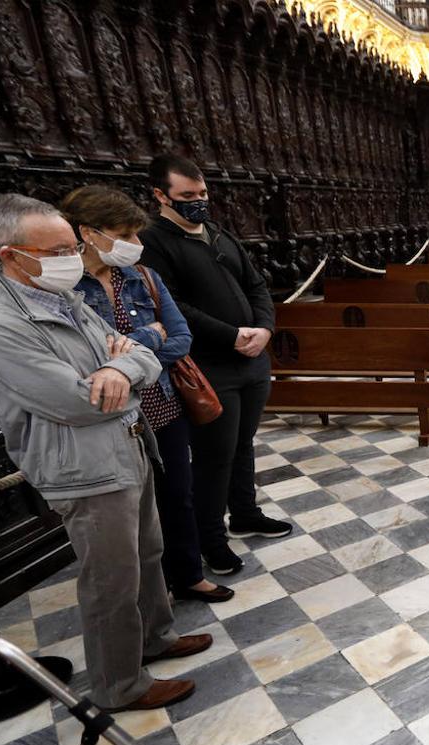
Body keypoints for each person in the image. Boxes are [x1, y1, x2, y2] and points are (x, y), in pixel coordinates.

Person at [0, 194, 212, 710]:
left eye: (72, 246)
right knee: (110, 582)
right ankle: (119, 685)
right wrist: (119, 367)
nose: (71, 257)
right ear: (13, 256)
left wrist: (120, 366)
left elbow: (142, 353)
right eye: (57, 249)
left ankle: (156, 638)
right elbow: (79, 401)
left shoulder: (65, 300)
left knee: (147, 555)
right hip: (84, 467)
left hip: (128, 444)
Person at [60, 185, 234, 604]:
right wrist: (145, 339)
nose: (136, 244)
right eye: (125, 234)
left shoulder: (142, 277)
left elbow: (179, 339)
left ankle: (189, 574)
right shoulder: (66, 290)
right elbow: (82, 360)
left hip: (163, 404)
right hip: (113, 415)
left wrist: (126, 356)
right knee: (132, 512)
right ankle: (145, 595)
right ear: (89, 232)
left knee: (178, 494)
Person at [139, 155, 290, 576]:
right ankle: (212, 539)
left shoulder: (219, 234)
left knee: (243, 443)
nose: (199, 201)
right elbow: (171, 305)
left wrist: (264, 327)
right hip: (209, 367)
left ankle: (244, 512)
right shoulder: (154, 242)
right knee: (214, 457)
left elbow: (256, 285)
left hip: (252, 361)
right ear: (160, 195)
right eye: (187, 196)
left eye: (202, 193)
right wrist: (231, 336)